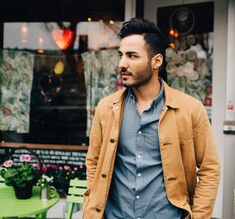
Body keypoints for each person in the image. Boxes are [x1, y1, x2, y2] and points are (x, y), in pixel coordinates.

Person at [84, 18, 220, 219]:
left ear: (156, 61)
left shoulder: (190, 109)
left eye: (132, 56)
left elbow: (209, 170)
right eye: (121, 55)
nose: (122, 64)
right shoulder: (106, 108)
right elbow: (93, 163)